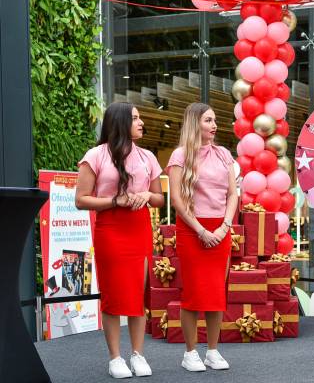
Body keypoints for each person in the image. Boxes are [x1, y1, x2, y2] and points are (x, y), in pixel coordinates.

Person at [75, 102, 164, 379]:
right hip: (111, 229)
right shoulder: (96, 155)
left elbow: (160, 198)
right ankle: (115, 358)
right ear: (120, 122)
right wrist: (115, 200)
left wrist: (147, 196)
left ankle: (138, 354)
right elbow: (81, 200)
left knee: (139, 294)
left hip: (139, 228)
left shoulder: (147, 156)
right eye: (135, 118)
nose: (141, 123)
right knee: (114, 294)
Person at [166, 103, 239, 373]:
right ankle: (190, 352)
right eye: (208, 120)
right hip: (191, 228)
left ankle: (212, 350)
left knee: (216, 292)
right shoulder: (180, 155)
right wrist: (201, 230)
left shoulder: (223, 155)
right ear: (195, 123)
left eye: (215, 120)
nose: (214, 125)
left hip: (221, 228)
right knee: (194, 293)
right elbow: (176, 199)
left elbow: (233, 194)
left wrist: (225, 226)